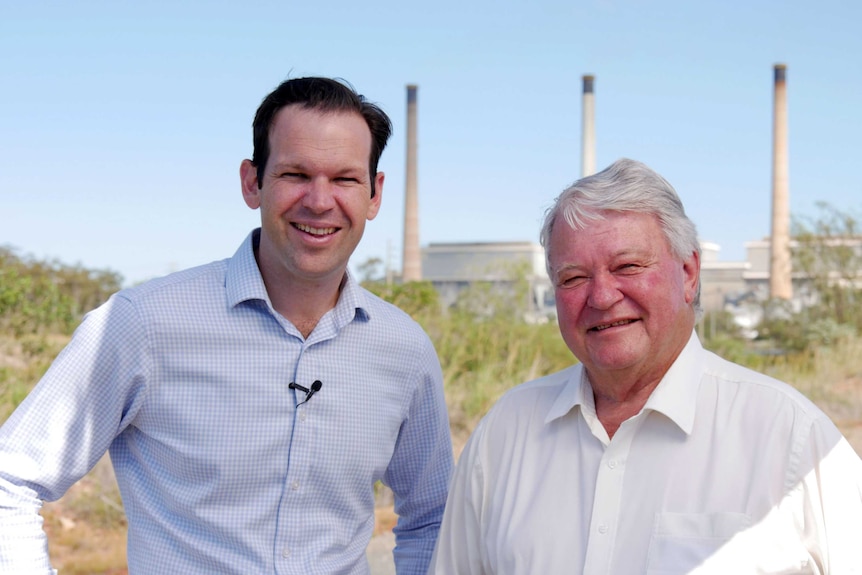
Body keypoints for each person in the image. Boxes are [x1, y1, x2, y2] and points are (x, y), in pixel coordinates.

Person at [0, 76, 453, 574]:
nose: (320, 202)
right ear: (251, 182)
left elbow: (432, 519)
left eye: (344, 179)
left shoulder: (404, 350)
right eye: (295, 174)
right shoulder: (141, 325)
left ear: (374, 194)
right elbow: (10, 484)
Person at [429, 158, 862, 574]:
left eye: (628, 266)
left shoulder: (791, 437)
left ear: (689, 272)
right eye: (574, 277)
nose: (601, 296)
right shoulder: (505, 434)